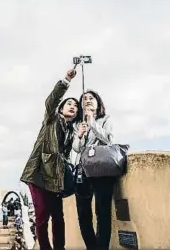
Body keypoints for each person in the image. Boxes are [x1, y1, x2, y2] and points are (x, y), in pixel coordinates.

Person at [20, 67, 80, 250]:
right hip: (38, 173)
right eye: (69, 103)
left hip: (55, 177)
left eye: (76, 106)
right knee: (41, 215)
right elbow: (51, 101)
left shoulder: (71, 131)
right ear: (61, 108)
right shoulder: (51, 119)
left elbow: (68, 156)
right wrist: (66, 81)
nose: (73, 106)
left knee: (58, 216)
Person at [72, 90, 115, 250]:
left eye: (91, 98)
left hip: (102, 170)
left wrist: (93, 123)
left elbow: (109, 140)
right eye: (84, 99)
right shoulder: (79, 124)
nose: (88, 100)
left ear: (98, 102)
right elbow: (77, 148)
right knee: (83, 215)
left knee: (102, 213)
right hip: (83, 171)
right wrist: (81, 135)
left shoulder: (106, 119)